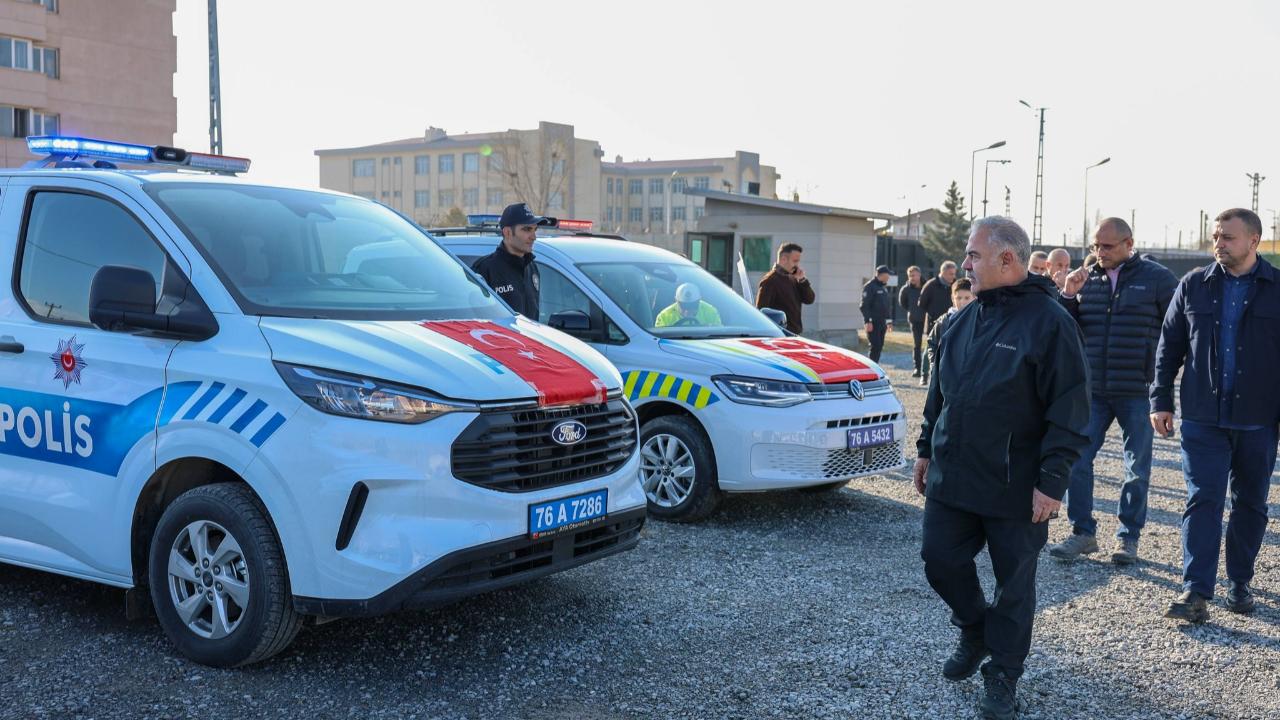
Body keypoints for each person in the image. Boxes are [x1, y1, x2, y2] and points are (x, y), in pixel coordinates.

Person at [915, 216, 1089, 720]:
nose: (964, 264)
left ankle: (1003, 675)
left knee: (1014, 587)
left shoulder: (1051, 322)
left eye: (972, 255)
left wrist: (1052, 482)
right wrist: (926, 448)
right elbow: (938, 394)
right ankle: (974, 629)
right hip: (954, 474)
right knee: (939, 559)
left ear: (1006, 259)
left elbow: (1070, 410)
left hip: (1017, 485)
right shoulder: (964, 318)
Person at [1151, 208, 1280, 623]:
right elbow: (1169, 346)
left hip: (1259, 418)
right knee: (1203, 499)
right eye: (1215, 237)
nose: (1218, 244)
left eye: (1227, 237)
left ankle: (1240, 582)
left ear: (1254, 241)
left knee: (1251, 504)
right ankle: (1195, 591)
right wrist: (1161, 399)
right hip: (1204, 417)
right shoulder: (1193, 286)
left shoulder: (1277, 288)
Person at [1048, 218, 1178, 564]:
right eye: (1095, 246)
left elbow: (1178, 327)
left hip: (1137, 390)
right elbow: (1065, 328)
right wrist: (1068, 295)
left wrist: (1164, 380)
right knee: (1078, 459)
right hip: (1094, 391)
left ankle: (1128, 538)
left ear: (1128, 244)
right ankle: (1082, 533)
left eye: (1107, 246)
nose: (1099, 253)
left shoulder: (1156, 279)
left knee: (1136, 467)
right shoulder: (1086, 277)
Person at [471, 202, 553, 317]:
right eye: (527, 229)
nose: (533, 237)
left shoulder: (531, 267)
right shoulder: (484, 269)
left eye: (535, 230)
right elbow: (476, 318)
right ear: (508, 232)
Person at [755, 243, 815, 334]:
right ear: (783, 259)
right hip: (780, 335)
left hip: (794, 334)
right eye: (795, 261)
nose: (797, 265)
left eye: (798, 261)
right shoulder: (769, 281)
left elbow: (809, 299)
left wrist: (802, 280)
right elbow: (761, 312)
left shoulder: (793, 278)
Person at [917, 261, 957, 385]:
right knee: (929, 349)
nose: (953, 276)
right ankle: (924, 375)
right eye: (951, 274)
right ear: (943, 272)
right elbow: (921, 303)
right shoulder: (931, 285)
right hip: (933, 323)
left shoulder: (954, 285)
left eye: (954, 274)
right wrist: (932, 315)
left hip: (951, 321)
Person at [924, 278, 974, 373]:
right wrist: (934, 367)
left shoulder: (979, 320)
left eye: (967, 298)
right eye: (958, 298)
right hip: (947, 373)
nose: (962, 302)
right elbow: (932, 343)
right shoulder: (943, 321)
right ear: (952, 298)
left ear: (974, 298)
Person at [860, 265, 894, 362]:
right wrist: (868, 321)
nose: (888, 277)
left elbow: (886, 307)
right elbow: (864, 305)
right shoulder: (869, 287)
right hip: (873, 323)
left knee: (879, 346)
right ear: (882, 275)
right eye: (888, 275)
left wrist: (889, 321)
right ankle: (871, 368)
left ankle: (875, 366)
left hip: (882, 322)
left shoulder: (883, 287)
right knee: (875, 346)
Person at [899, 265, 927, 377]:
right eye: (910, 276)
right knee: (917, 345)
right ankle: (917, 369)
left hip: (928, 320)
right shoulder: (905, 289)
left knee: (933, 344)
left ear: (919, 274)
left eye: (914, 275)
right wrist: (913, 311)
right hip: (915, 320)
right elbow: (903, 303)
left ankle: (932, 369)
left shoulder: (927, 286)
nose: (912, 278)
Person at [655, 282, 722, 328]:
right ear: (676, 301)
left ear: (699, 300)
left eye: (693, 306)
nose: (687, 311)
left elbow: (719, 334)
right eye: (683, 306)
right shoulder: (664, 316)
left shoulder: (711, 312)